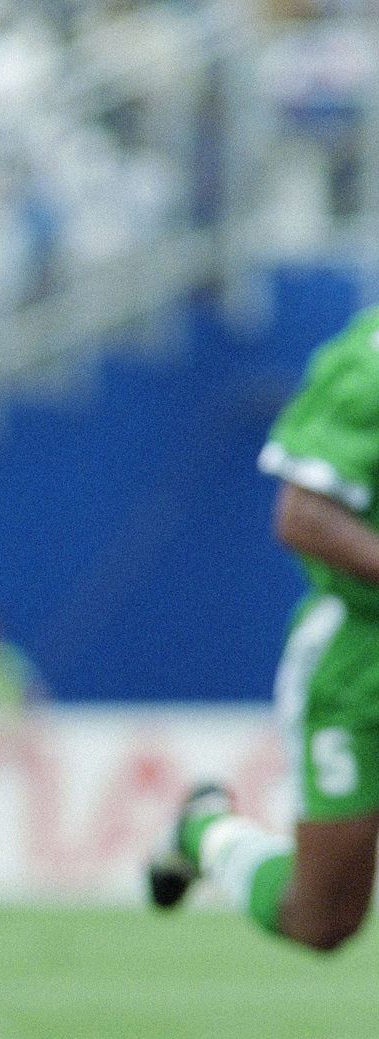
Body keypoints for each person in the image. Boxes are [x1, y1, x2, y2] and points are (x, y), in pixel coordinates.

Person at [149, 307, 379, 953]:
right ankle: (205, 830)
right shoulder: (369, 362)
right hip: (362, 659)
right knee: (321, 918)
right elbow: (304, 516)